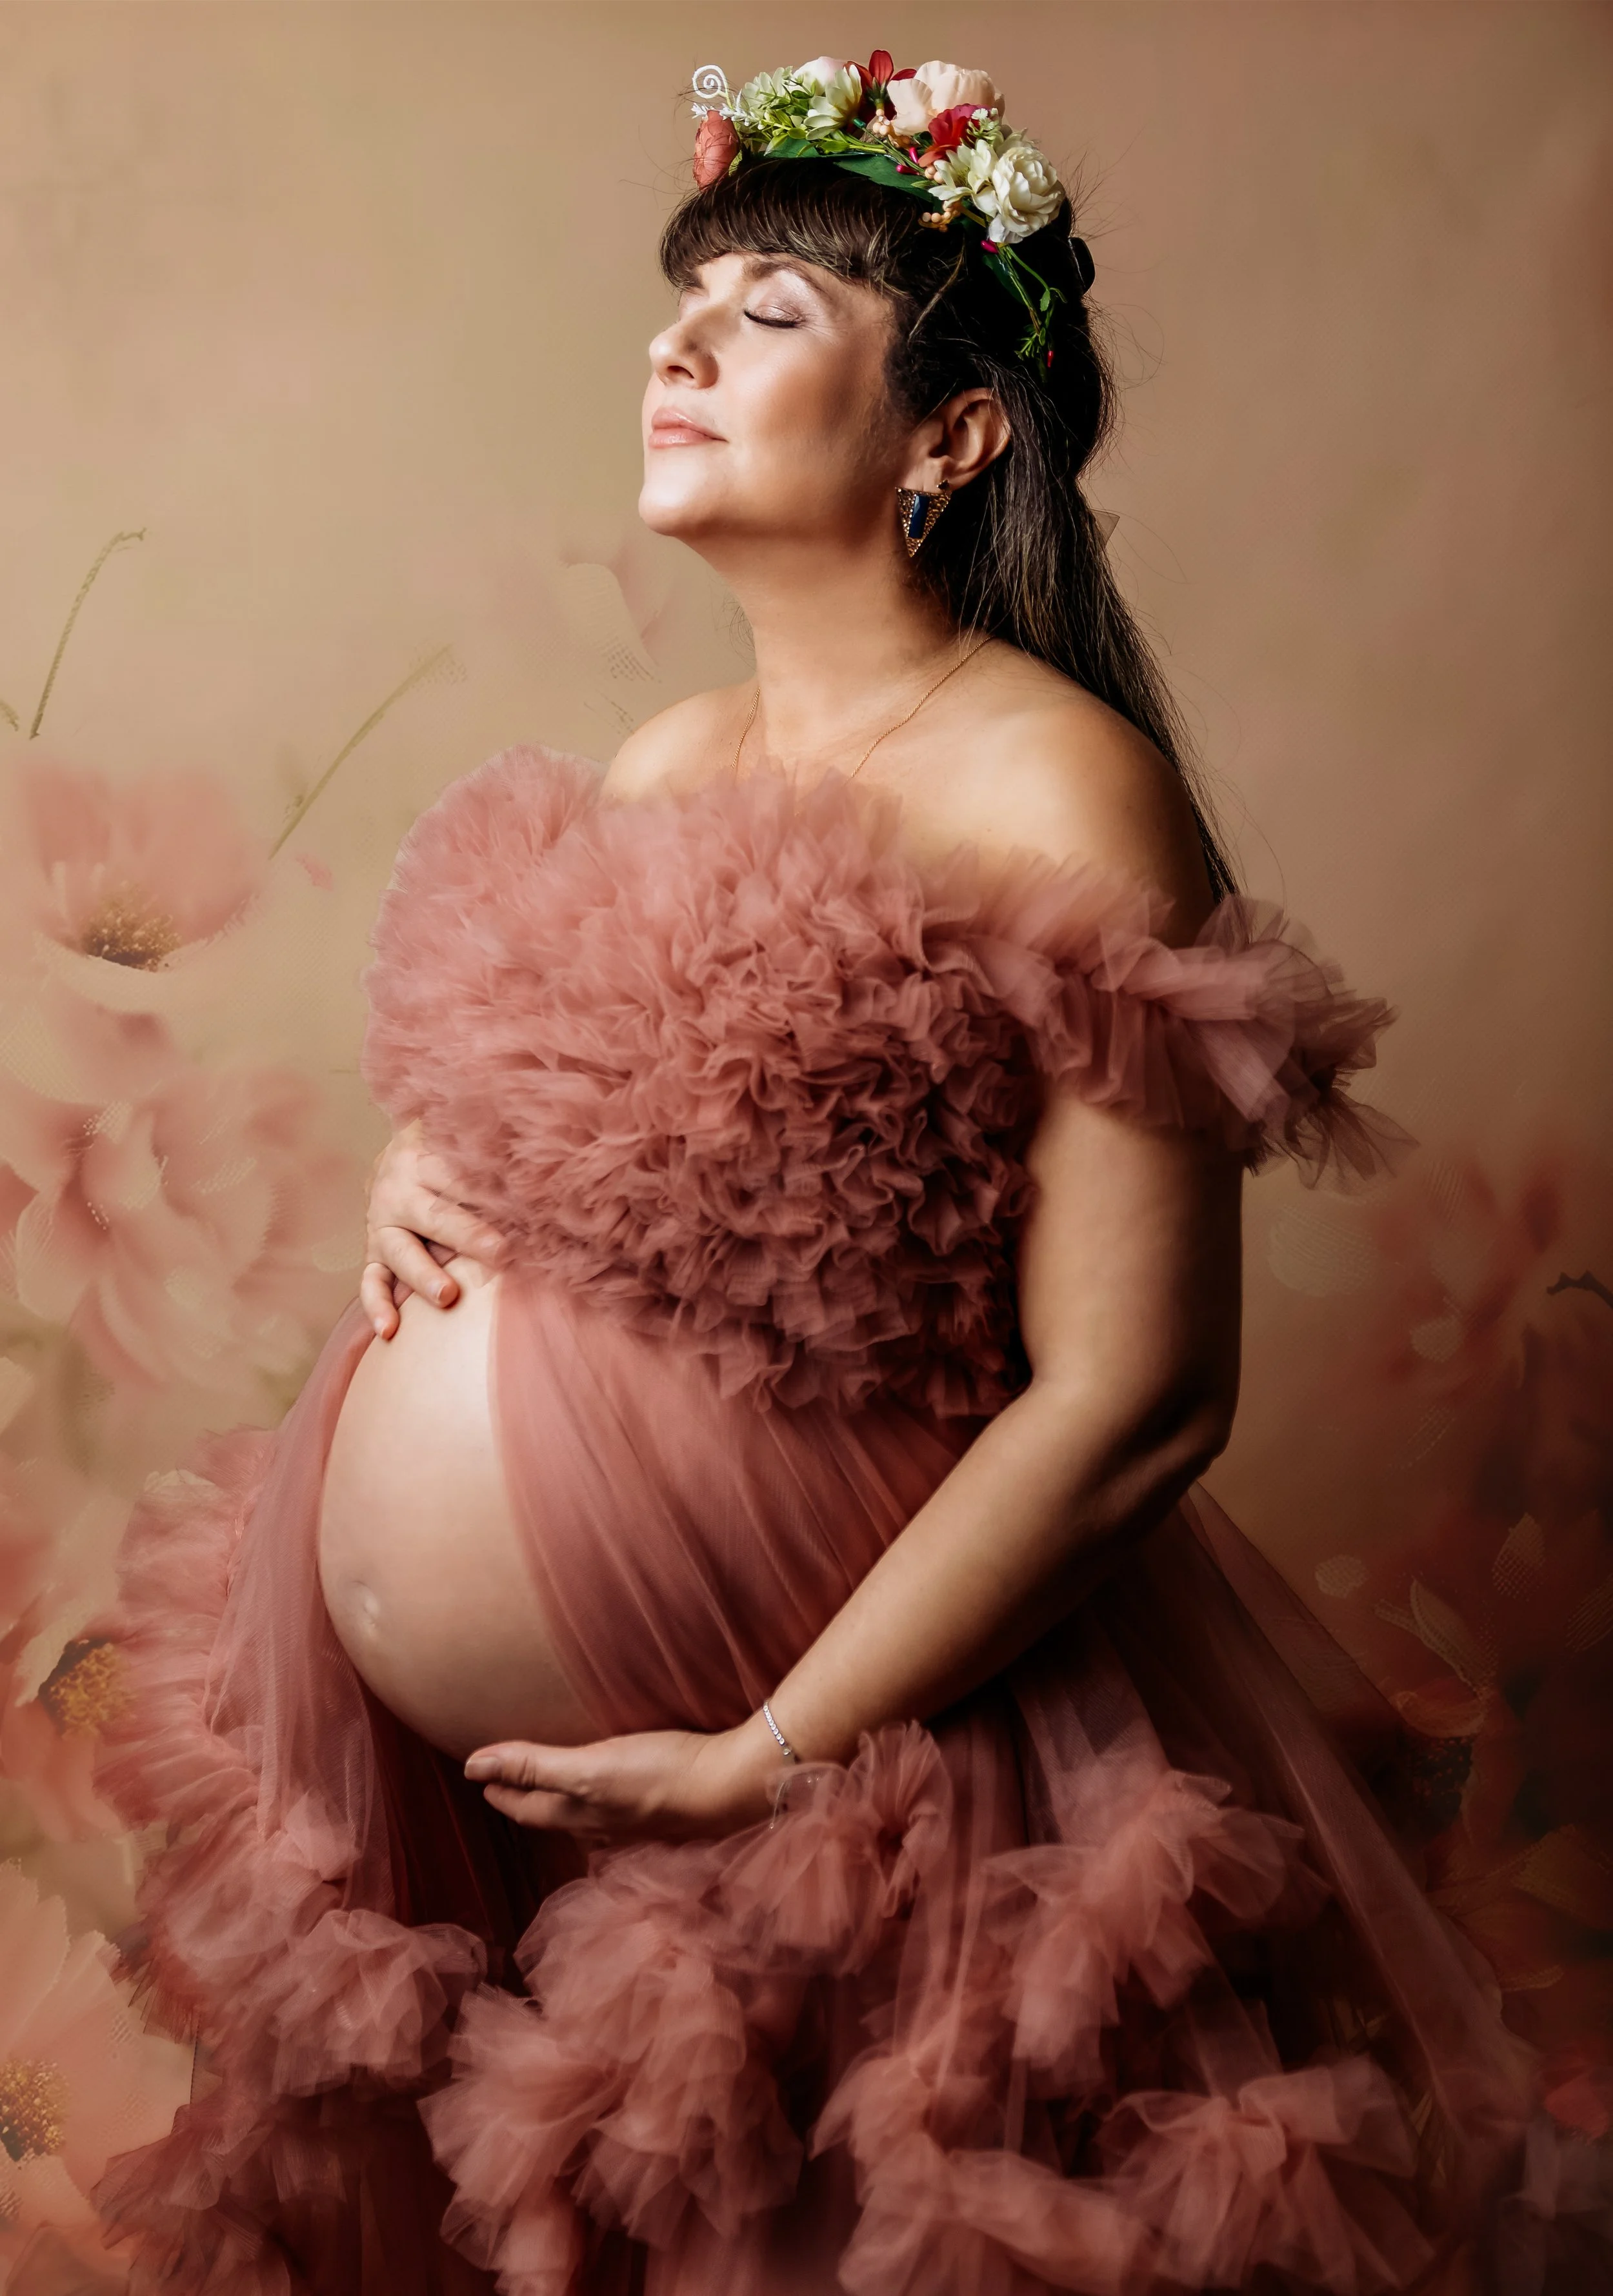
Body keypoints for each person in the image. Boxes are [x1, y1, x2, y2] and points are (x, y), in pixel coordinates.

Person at [93, 50, 1557, 2296]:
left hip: (831, 1758)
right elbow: (613, 1115)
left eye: (768, 311)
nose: (676, 344)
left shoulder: (1058, 789)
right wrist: (421, 1164)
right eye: (682, 301)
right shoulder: (672, 751)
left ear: (952, 438)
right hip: (499, 1791)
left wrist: (767, 1750)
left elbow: (1136, 1392)